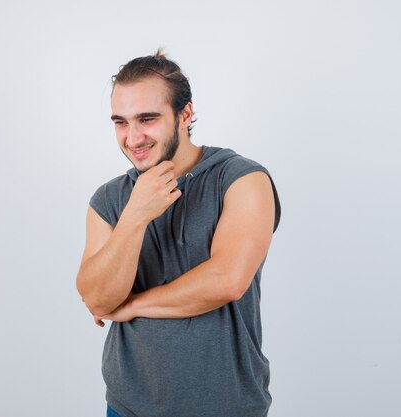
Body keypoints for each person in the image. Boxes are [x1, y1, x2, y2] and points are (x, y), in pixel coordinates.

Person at [76, 49, 281, 417]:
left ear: (185, 114)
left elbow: (227, 280)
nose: (133, 137)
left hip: (227, 407)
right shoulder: (109, 199)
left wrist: (133, 305)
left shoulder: (241, 179)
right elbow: (96, 298)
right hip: (127, 407)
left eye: (147, 119)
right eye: (120, 122)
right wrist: (135, 216)